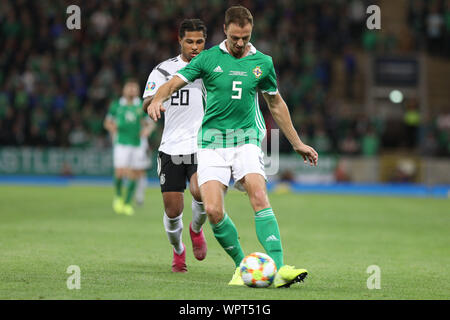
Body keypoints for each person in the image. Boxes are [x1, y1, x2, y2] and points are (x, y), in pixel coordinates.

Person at [147, 6, 318, 288]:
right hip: (211, 145)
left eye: (246, 37)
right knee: (213, 210)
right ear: (225, 30)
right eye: (236, 37)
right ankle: (242, 267)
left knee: (259, 194)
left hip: (246, 140)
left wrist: (296, 142)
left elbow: (276, 103)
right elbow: (173, 83)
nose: (240, 43)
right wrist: (156, 99)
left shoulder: (263, 62)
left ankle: (279, 267)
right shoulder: (208, 59)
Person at [141, 19, 208, 272]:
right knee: (172, 211)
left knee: (201, 192)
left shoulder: (211, 69)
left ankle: (196, 229)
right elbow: (147, 100)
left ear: (205, 41)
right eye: (189, 41)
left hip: (202, 144)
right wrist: (153, 105)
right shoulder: (163, 71)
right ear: (179, 40)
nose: (194, 47)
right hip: (171, 146)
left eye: (199, 41)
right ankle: (178, 249)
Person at [104, 79, 154, 216]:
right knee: (120, 171)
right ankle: (118, 196)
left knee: (134, 173)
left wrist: (146, 131)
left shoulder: (141, 106)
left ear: (138, 91)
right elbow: (107, 122)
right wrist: (112, 129)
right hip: (121, 142)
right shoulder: (117, 105)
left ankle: (127, 203)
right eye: (129, 87)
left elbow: (150, 123)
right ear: (124, 90)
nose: (131, 90)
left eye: (134, 88)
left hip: (137, 143)